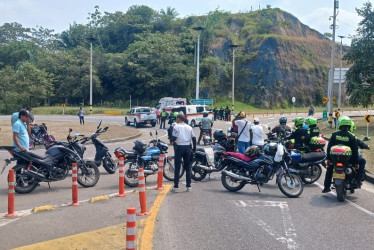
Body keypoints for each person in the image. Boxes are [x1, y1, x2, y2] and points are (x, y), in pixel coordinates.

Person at [322, 116, 359, 193]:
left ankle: (326, 187)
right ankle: (355, 183)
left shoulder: (335, 134)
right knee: (355, 169)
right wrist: (356, 163)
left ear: (340, 125)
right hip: (348, 160)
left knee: (329, 170)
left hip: (335, 158)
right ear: (349, 126)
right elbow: (355, 151)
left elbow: (329, 147)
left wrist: (328, 159)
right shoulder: (351, 136)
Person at [170, 113, 196, 192]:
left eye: (177, 118)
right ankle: (188, 186)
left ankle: (176, 186)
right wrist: (194, 148)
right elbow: (194, 138)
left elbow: (174, 137)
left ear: (179, 119)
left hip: (179, 148)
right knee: (187, 167)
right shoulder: (189, 127)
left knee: (177, 167)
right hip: (187, 148)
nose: (176, 120)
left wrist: (171, 140)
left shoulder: (176, 127)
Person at [350, 121, 369, 187]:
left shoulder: (336, 134)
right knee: (362, 161)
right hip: (351, 159)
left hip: (337, 158)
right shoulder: (352, 136)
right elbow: (360, 142)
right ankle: (357, 181)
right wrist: (366, 146)